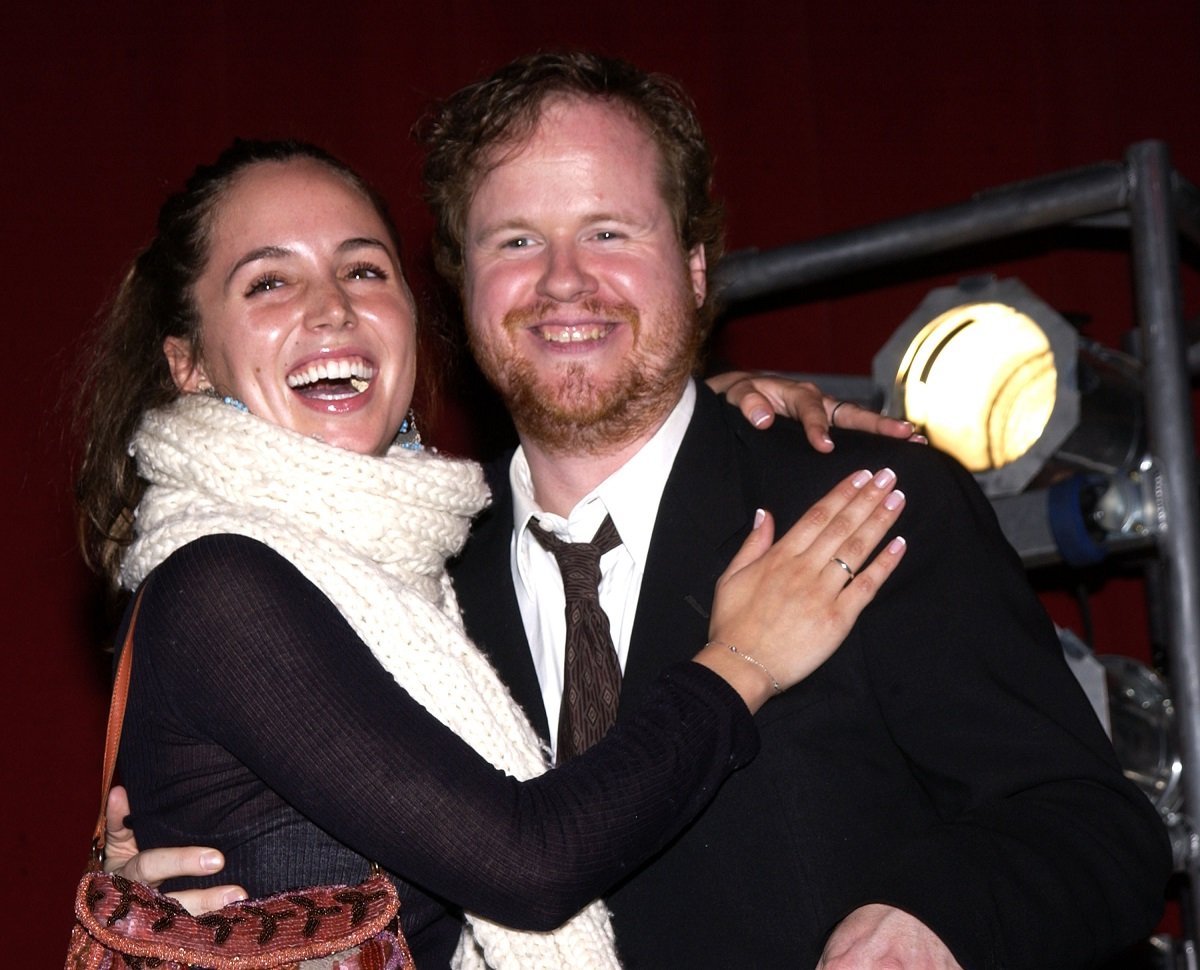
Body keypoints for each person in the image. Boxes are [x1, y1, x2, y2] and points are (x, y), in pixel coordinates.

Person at [103, 52, 1171, 969]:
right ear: (460, 288)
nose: (567, 283)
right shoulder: (407, 592)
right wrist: (160, 883)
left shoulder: (850, 503)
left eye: (610, 231)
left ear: (697, 269)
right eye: (516, 241)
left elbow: (1098, 835)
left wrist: (932, 918)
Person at [75, 137, 909, 969]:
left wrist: (699, 415)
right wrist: (745, 658)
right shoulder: (221, 585)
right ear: (186, 362)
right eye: (269, 281)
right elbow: (528, 864)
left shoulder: (429, 578)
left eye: (364, 270)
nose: (331, 309)